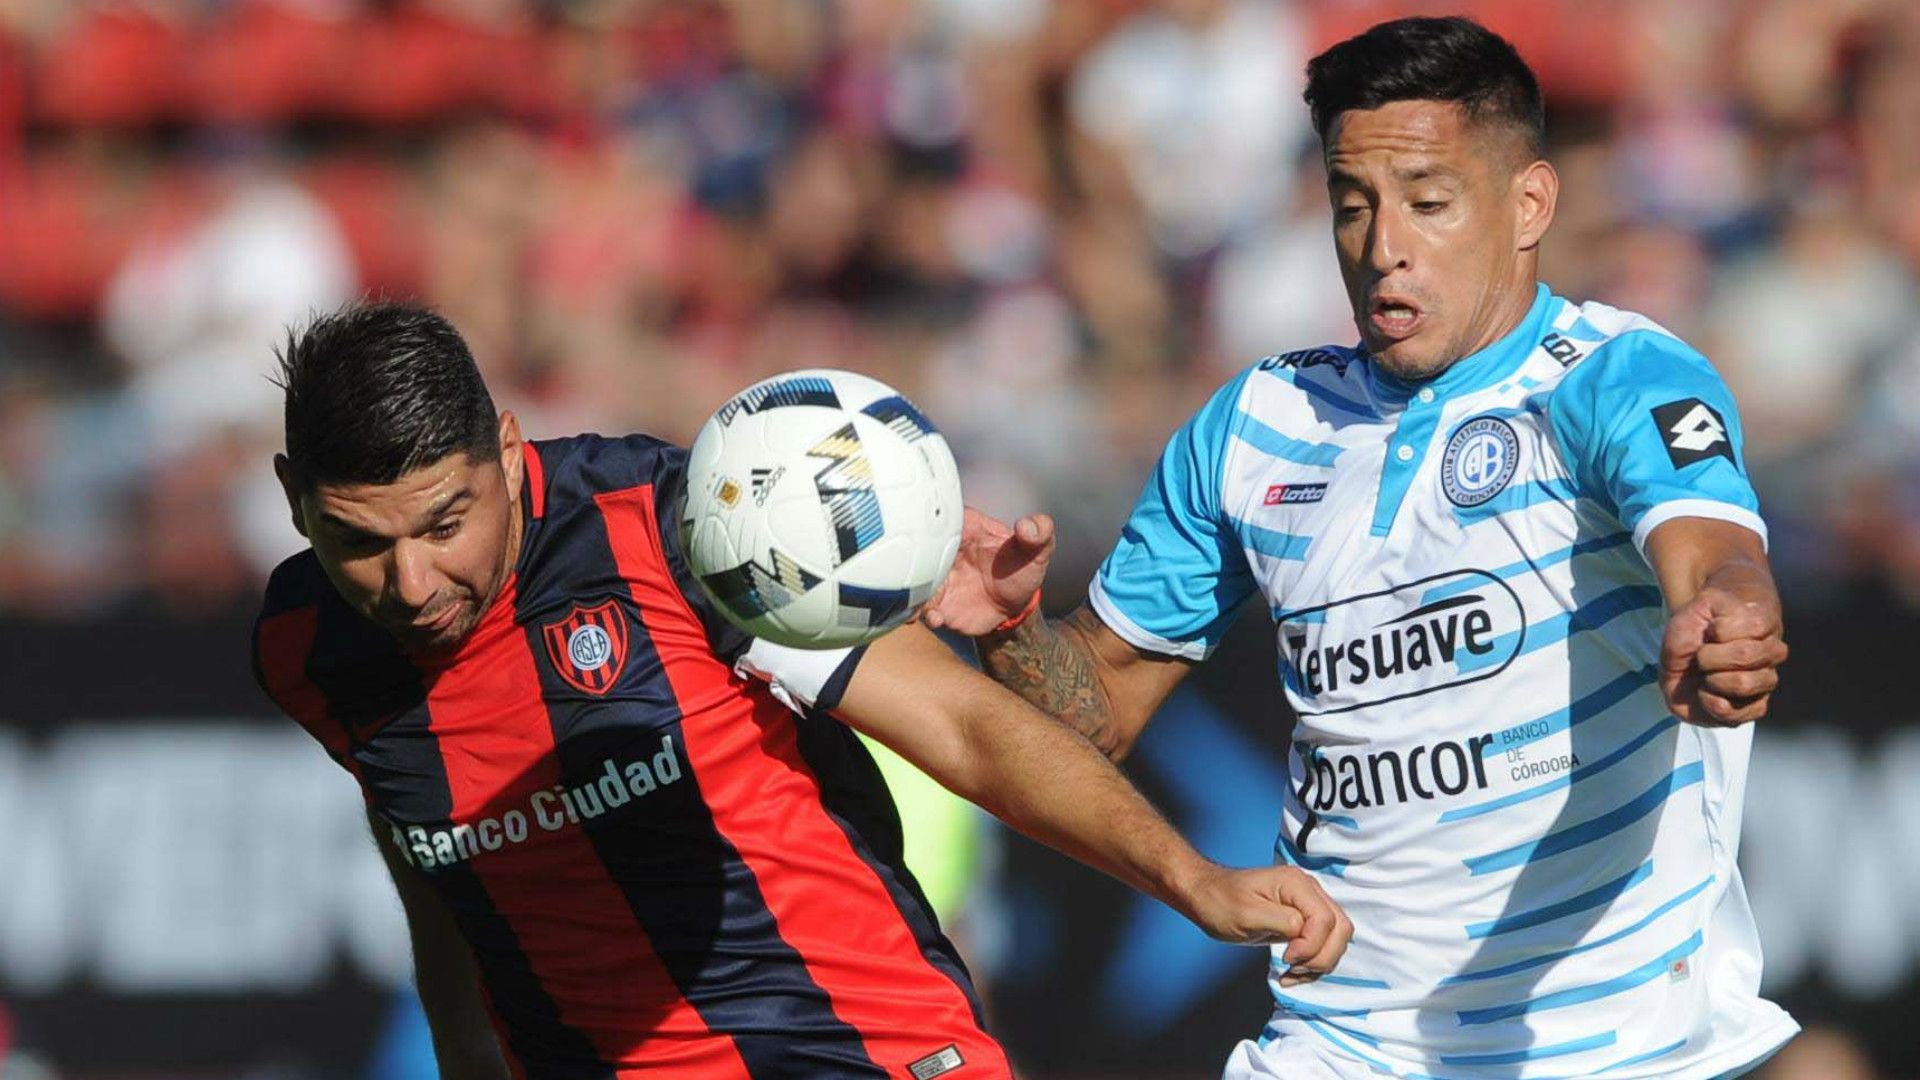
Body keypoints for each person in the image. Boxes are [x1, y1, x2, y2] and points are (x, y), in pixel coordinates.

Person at [925, 16, 1797, 1080]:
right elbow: (1092, 714)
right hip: (1336, 1047)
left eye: (1429, 204)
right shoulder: (1256, 425)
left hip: (1615, 1050)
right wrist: (1013, 627)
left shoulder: (1616, 378)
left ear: (1529, 204)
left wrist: (1730, 612)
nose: (1384, 244)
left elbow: (1712, 557)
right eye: (1353, 206)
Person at [249, 302, 1349, 1080]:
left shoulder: (679, 531)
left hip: (855, 1048)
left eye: (446, 524)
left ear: (503, 444)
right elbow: (439, 856)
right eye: (360, 542)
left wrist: (1190, 879)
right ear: (294, 499)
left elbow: (963, 724)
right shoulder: (311, 651)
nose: (411, 582)